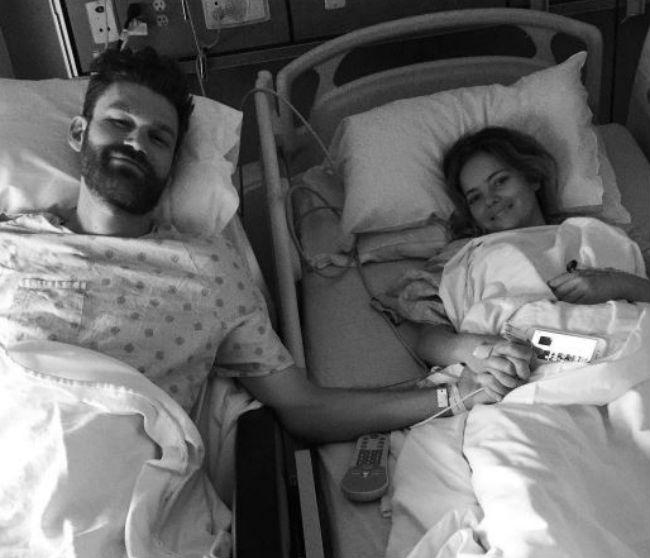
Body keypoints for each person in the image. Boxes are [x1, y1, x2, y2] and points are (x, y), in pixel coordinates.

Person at [0, 47, 517, 447]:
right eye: (119, 122)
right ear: (78, 133)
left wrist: (455, 394)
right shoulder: (12, 245)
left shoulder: (206, 271)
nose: (136, 142)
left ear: (173, 164)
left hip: (120, 492)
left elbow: (305, 408)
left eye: (158, 138)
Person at [415, 126, 650, 372]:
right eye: (475, 197)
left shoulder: (597, 234)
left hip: (631, 345)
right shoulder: (461, 258)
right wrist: (476, 350)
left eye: (500, 181)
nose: (490, 199)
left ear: (532, 178)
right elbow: (429, 340)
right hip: (530, 362)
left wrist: (622, 284)